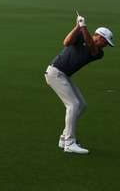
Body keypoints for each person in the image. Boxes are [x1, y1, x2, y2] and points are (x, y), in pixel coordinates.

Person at [44, 13, 115, 154]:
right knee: (73, 105)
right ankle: (69, 143)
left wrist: (83, 26)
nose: (106, 45)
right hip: (55, 73)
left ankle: (64, 138)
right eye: (105, 42)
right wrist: (77, 26)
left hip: (63, 75)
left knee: (81, 106)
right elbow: (66, 42)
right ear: (99, 37)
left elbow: (90, 46)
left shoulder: (98, 52)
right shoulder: (82, 35)